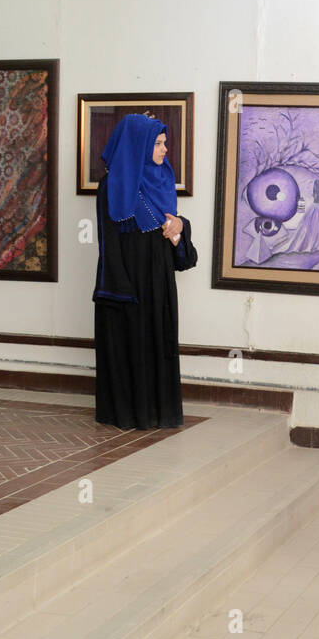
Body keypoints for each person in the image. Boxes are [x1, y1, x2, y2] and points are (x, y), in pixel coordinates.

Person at [92, 113, 196, 429]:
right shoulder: (112, 186)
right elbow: (108, 243)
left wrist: (179, 228)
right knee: (131, 344)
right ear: (138, 146)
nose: (165, 150)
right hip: (127, 285)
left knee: (158, 342)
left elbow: (171, 232)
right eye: (159, 143)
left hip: (159, 281)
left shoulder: (161, 180)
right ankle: (130, 414)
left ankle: (159, 413)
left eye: (165, 143)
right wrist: (123, 293)